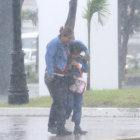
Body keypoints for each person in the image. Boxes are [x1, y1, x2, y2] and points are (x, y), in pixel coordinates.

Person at [44, 26, 73, 136]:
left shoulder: (66, 45)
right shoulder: (54, 43)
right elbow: (49, 58)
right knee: (59, 102)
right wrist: (50, 74)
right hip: (53, 77)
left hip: (62, 77)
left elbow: (66, 58)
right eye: (68, 38)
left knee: (62, 102)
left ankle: (55, 126)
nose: (69, 40)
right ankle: (57, 127)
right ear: (63, 36)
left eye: (71, 38)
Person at [66, 41, 89, 135]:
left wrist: (80, 64)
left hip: (78, 86)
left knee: (78, 106)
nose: (77, 54)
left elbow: (86, 69)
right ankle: (62, 122)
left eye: (79, 52)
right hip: (70, 84)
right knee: (69, 105)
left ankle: (77, 126)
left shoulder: (81, 59)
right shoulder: (67, 58)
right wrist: (70, 66)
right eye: (76, 52)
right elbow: (65, 69)